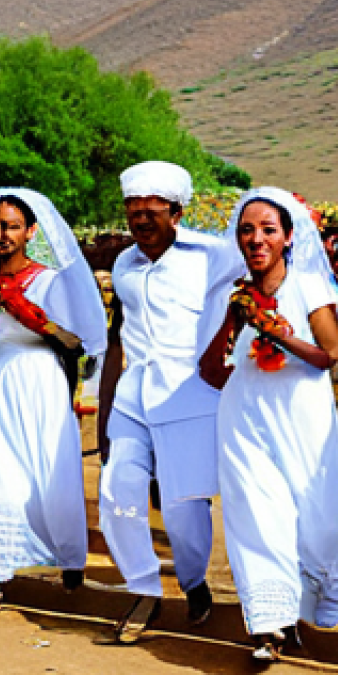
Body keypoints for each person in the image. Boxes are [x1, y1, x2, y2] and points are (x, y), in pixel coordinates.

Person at [0, 189, 106, 611]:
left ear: (30, 231)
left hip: (36, 385)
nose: (0, 234)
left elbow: (77, 341)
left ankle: (66, 556)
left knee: (45, 474)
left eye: (10, 226)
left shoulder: (50, 280)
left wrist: (33, 317)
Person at [200, 187, 338, 661]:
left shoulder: (308, 286)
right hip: (245, 417)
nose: (256, 239)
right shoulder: (234, 294)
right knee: (256, 514)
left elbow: (331, 356)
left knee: (315, 521)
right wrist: (233, 321)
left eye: (268, 229)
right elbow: (210, 369)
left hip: (302, 417)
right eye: (247, 230)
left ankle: (302, 605)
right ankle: (269, 625)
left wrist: (275, 333)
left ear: (288, 236)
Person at [98, 162, 243, 642]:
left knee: (184, 507)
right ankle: (142, 587)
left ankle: (194, 582)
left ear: (176, 212)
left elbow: (262, 274)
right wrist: (105, 408)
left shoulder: (214, 256)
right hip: (133, 396)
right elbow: (119, 336)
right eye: (132, 210)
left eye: (151, 211)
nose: (140, 220)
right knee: (118, 488)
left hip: (188, 393)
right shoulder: (123, 264)